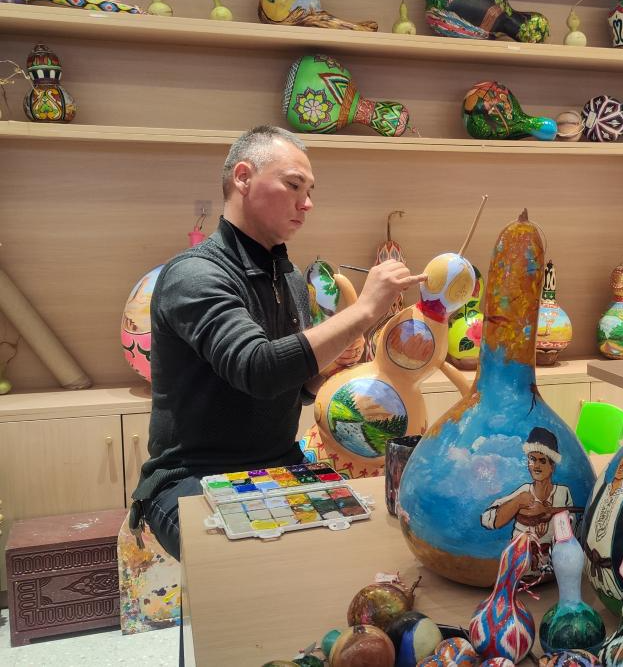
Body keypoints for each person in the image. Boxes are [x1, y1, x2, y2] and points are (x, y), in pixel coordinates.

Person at [129, 125, 425, 561]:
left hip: (280, 463)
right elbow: (258, 370)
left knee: (359, 546)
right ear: (243, 177)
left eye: (310, 190)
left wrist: (324, 368)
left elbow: (294, 388)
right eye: (293, 185)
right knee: (255, 565)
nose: (307, 203)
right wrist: (363, 311)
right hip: (193, 476)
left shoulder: (287, 277)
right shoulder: (194, 275)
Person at [480, 426, 575, 575]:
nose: (536, 466)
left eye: (542, 461)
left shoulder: (563, 493)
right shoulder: (524, 492)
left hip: (551, 567)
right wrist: (517, 502)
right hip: (519, 568)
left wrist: (551, 513)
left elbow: (572, 530)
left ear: (552, 467)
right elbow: (488, 520)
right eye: (532, 459)